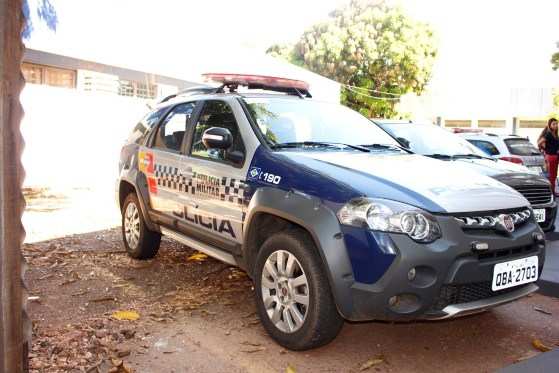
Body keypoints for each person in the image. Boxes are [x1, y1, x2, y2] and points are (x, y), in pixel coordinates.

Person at [538, 118, 559, 194]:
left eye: (557, 124)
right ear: (549, 125)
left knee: (554, 175)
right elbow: (540, 142)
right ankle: (551, 192)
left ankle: (553, 191)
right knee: (552, 176)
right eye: (554, 124)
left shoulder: (555, 134)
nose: (556, 125)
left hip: (555, 157)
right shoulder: (548, 134)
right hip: (551, 157)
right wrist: (545, 149)